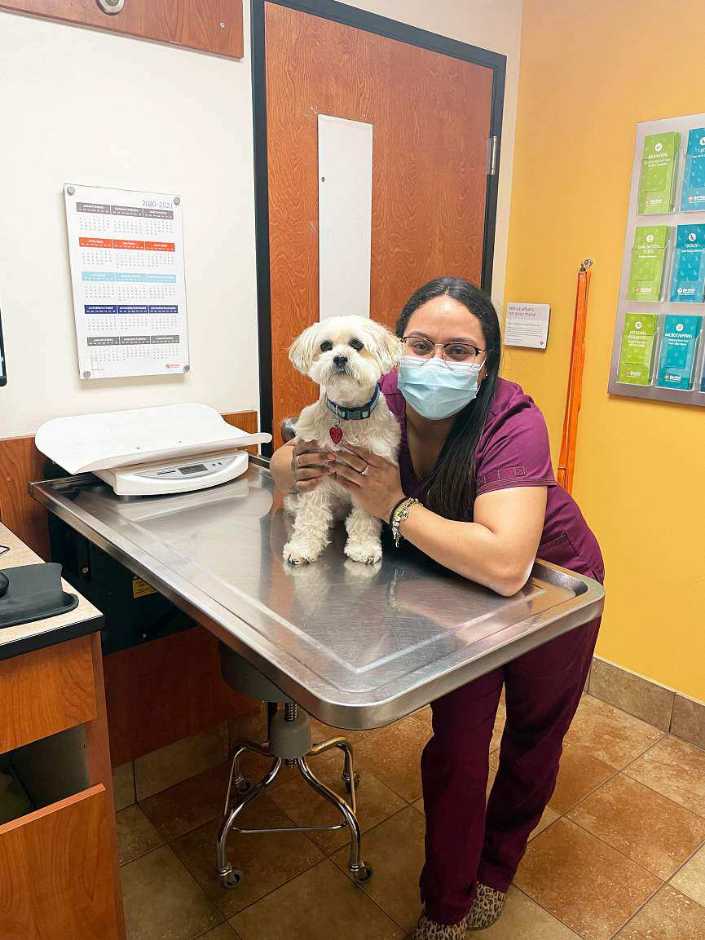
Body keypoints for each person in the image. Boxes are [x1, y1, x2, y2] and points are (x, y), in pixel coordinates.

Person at [270, 277, 604, 939]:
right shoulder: (378, 387)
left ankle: (496, 868)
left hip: (550, 582)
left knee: (532, 739)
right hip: (456, 581)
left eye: (460, 349)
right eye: (421, 344)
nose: (436, 361)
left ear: (486, 362)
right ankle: (446, 905)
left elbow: (508, 565)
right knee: (456, 743)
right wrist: (293, 468)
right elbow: (289, 454)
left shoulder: (512, 419)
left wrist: (392, 506)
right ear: (398, 349)